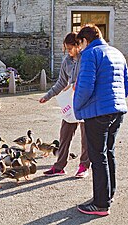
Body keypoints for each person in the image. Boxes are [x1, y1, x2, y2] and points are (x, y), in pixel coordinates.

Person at [74, 25, 128, 216]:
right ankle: (108, 194)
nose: (79, 48)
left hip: (97, 113)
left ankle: (100, 204)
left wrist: (77, 108)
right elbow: (127, 86)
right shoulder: (117, 53)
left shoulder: (90, 54)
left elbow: (85, 87)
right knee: (109, 152)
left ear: (85, 40)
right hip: (117, 110)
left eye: (79, 43)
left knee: (97, 157)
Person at [39, 32, 90, 178]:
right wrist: (47, 96)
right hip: (70, 102)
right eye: (66, 49)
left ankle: (84, 166)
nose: (68, 51)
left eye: (70, 48)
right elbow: (61, 82)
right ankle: (59, 166)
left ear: (78, 45)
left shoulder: (86, 59)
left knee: (86, 137)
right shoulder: (66, 61)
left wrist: (76, 84)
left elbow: (89, 78)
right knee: (64, 135)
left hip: (85, 102)